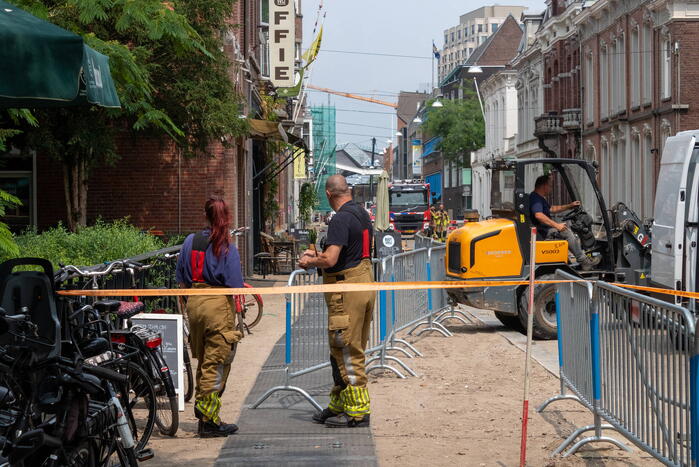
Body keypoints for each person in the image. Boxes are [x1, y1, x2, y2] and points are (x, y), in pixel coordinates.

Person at [298, 174, 375, 428]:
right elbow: (350, 251)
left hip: (346, 290)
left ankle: (357, 412)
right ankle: (339, 403)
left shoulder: (340, 218)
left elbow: (331, 260)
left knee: (346, 350)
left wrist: (310, 260)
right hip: (363, 283)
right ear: (348, 191)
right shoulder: (362, 214)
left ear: (330, 195)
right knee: (344, 349)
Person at [175, 195, 244, 437]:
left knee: (204, 360)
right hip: (218, 308)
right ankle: (208, 419)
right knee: (217, 363)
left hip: (195, 305)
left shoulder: (190, 242)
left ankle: (205, 414)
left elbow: (181, 276)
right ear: (226, 218)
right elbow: (235, 284)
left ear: (206, 215)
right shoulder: (226, 246)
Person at [529, 174, 600, 271]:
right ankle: (584, 261)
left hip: (543, 230)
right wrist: (556, 225)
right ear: (544, 186)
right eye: (550, 186)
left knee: (564, 228)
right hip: (543, 232)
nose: (551, 189)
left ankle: (575, 260)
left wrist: (570, 205)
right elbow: (538, 215)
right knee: (565, 231)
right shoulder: (535, 198)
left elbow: (552, 209)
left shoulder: (539, 198)